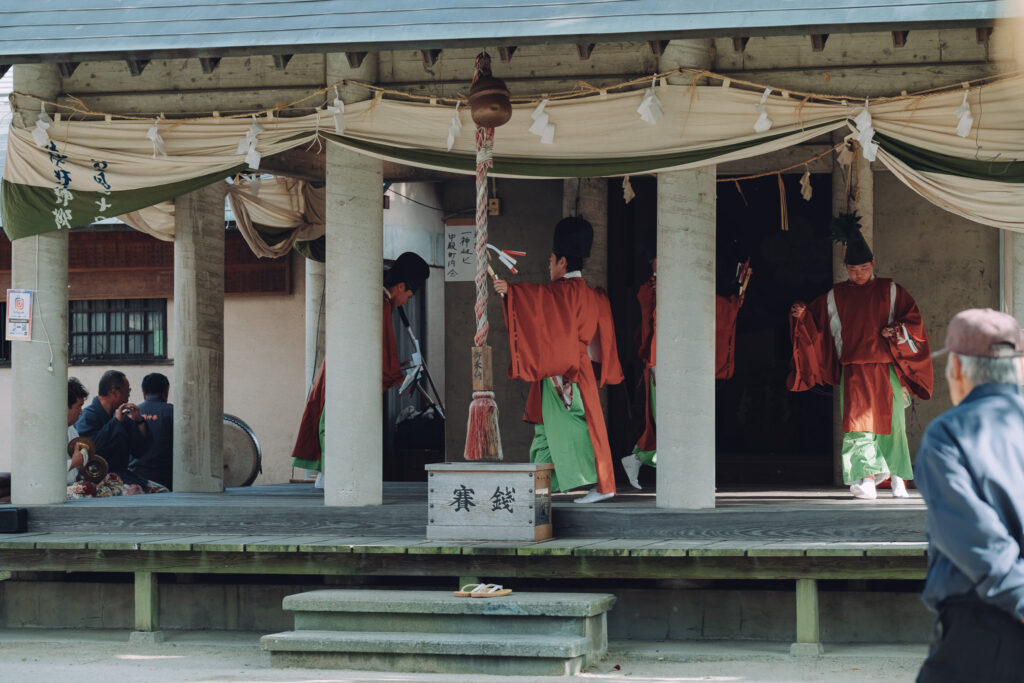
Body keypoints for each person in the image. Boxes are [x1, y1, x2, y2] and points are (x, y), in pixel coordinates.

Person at [914, 308, 1024, 683]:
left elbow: (976, 539)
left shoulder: (948, 433)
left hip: (983, 629)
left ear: (957, 368)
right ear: (1019, 367)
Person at [787, 217, 932, 499]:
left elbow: (914, 322)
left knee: (894, 425)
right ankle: (867, 480)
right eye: (853, 270)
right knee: (857, 426)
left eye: (864, 268)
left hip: (887, 368)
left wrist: (895, 330)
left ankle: (898, 478)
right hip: (853, 368)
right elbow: (816, 321)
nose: (859, 274)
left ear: (873, 264)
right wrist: (802, 315)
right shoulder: (836, 295)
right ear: (846, 268)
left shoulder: (891, 290)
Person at [493, 217, 624, 504]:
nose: (549, 267)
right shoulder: (589, 293)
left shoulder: (564, 291)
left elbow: (537, 301)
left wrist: (511, 292)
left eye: (550, 262)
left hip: (565, 370)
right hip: (574, 367)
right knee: (545, 428)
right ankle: (540, 483)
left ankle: (602, 483)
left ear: (562, 262)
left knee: (571, 426)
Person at [290, 252, 431, 483]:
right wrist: (393, 371)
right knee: (339, 426)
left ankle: (330, 479)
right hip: (348, 374)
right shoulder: (379, 304)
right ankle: (334, 481)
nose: (407, 300)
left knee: (335, 425)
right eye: (408, 294)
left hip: (343, 369)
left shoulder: (377, 300)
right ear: (400, 286)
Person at [134, 372, 173, 490]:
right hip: (164, 478)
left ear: (144, 393)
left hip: (135, 478)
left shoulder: (131, 413)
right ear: (166, 391)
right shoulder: (173, 412)